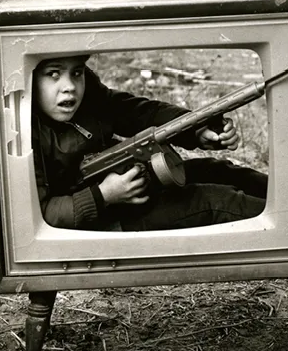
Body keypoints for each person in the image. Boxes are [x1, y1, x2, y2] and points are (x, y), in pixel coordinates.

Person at [31, 55, 267, 232]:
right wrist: (103, 195)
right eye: (53, 74)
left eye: (77, 72)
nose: (69, 86)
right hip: (106, 223)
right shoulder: (25, 134)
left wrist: (197, 130)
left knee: (218, 171)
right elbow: (43, 215)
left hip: (134, 191)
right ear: (29, 78)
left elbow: (137, 113)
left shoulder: (90, 98)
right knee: (214, 202)